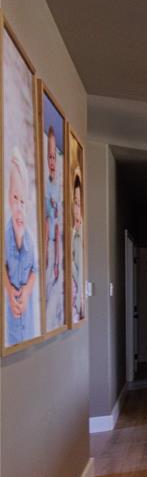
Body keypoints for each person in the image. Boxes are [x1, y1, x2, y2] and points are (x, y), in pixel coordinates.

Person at [4, 148, 39, 345]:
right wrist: (10, 291)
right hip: (12, 319)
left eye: (23, 201)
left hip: (29, 318)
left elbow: (34, 269)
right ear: (9, 198)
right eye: (15, 198)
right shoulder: (5, 237)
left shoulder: (31, 240)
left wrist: (25, 292)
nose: (19, 206)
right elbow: (3, 266)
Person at [43, 125, 64, 326]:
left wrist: (57, 262)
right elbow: (48, 224)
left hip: (53, 248)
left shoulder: (57, 190)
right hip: (46, 246)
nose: (51, 161)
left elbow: (57, 229)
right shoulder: (44, 187)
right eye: (48, 157)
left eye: (53, 157)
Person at [70, 168, 84, 322]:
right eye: (75, 202)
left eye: (80, 203)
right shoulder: (70, 234)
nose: (77, 208)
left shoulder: (82, 237)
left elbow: (79, 275)